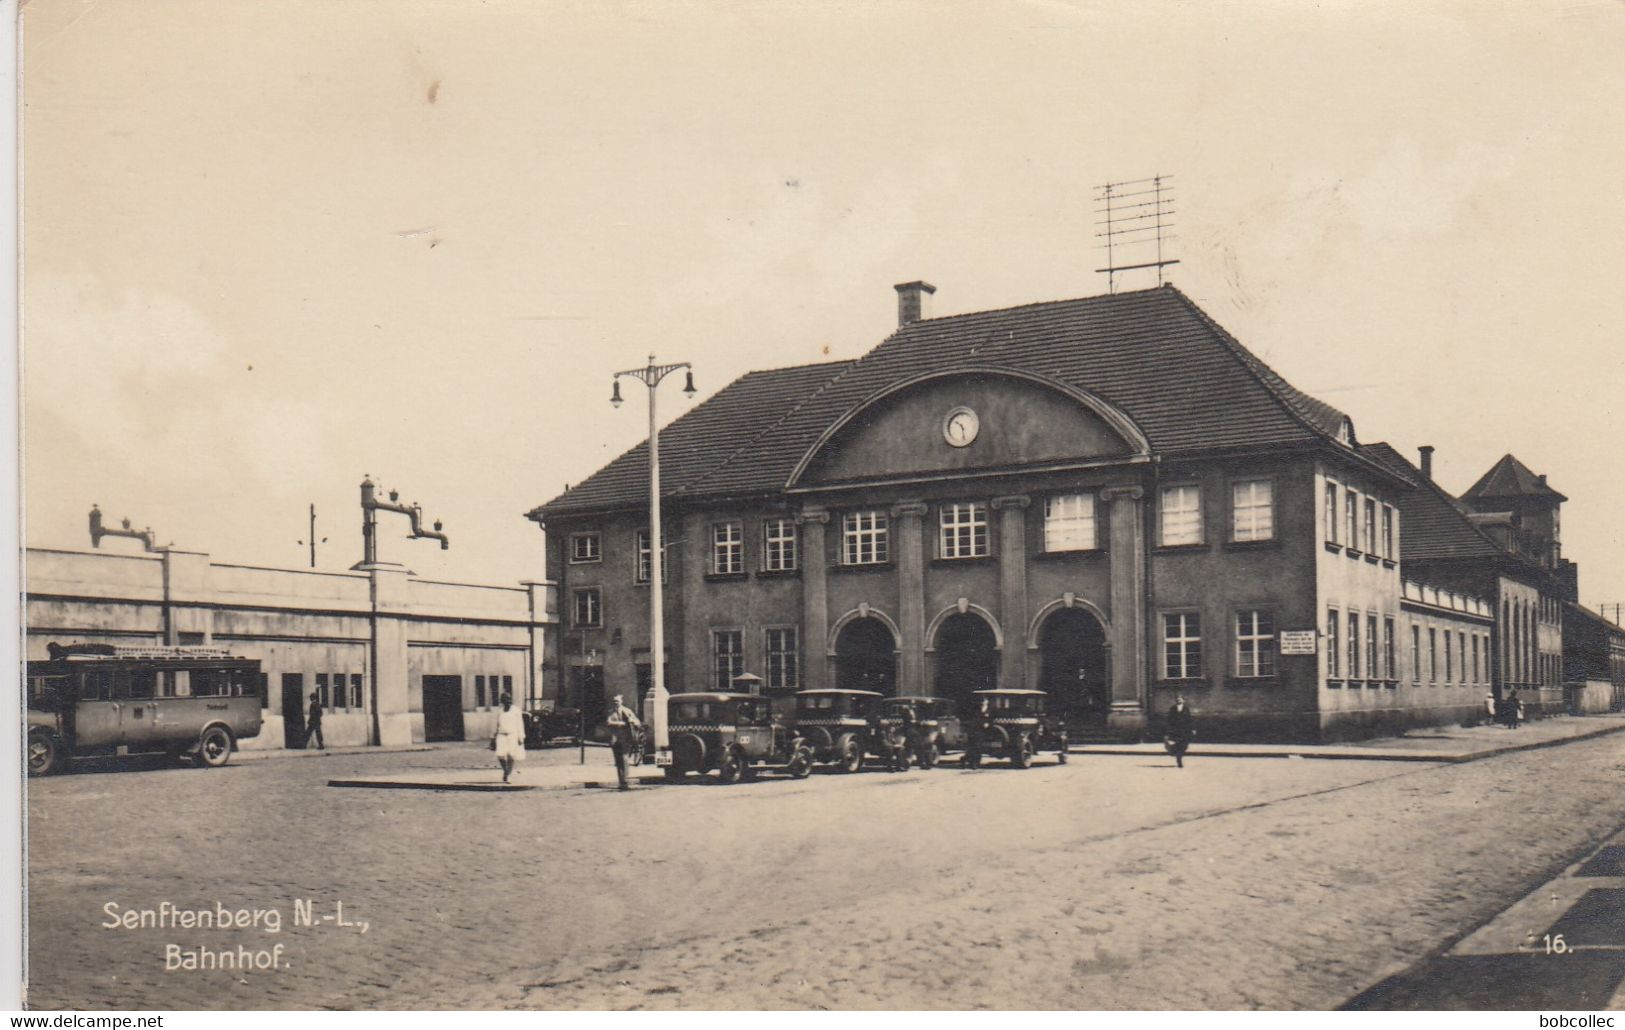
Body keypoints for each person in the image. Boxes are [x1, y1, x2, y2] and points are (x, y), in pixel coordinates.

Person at [606, 693, 643, 791]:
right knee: (618, 761)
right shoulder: (610, 712)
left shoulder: (627, 711)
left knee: (624, 759)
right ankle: (621, 781)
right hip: (615, 739)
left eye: (617, 701)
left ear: (621, 702)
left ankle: (625, 781)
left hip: (626, 739)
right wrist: (620, 723)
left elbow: (638, 722)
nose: (615, 703)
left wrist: (633, 721)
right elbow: (608, 722)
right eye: (614, 701)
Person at [491, 693, 526, 783]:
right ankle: (506, 771)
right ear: (502, 701)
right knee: (500, 755)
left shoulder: (516, 710)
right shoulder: (500, 711)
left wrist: (520, 736)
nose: (508, 701)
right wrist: (493, 737)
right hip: (501, 735)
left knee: (511, 755)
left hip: (512, 735)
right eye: (505, 699)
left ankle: (508, 775)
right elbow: (495, 724)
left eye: (509, 699)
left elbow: (520, 724)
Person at [1164, 695, 1194, 768]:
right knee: (1178, 745)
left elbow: (1190, 720)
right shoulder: (1172, 709)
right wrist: (1169, 730)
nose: (1179, 701)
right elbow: (1169, 720)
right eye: (1177, 700)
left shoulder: (1186, 709)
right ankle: (1179, 759)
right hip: (1176, 730)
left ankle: (1179, 756)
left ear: (1183, 701)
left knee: (1185, 745)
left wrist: (1192, 729)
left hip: (1185, 730)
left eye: (1180, 700)